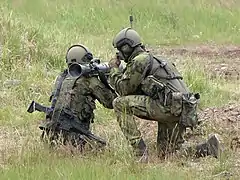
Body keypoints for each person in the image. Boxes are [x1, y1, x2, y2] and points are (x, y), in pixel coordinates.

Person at [108, 27, 221, 161]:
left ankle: (140, 152)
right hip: (182, 109)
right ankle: (208, 148)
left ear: (127, 47)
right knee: (167, 154)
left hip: (168, 108)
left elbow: (123, 90)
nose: (119, 54)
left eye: (120, 50)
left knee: (120, 104)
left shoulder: (140, 60)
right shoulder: (158, 59)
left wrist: (114, 70)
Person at [40, 44, 117, 150]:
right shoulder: (89, 81)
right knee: (103, 149)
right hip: (74, 138)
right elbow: (110, 102)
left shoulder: (62, 78)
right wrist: (108, 78)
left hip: (52, 135)